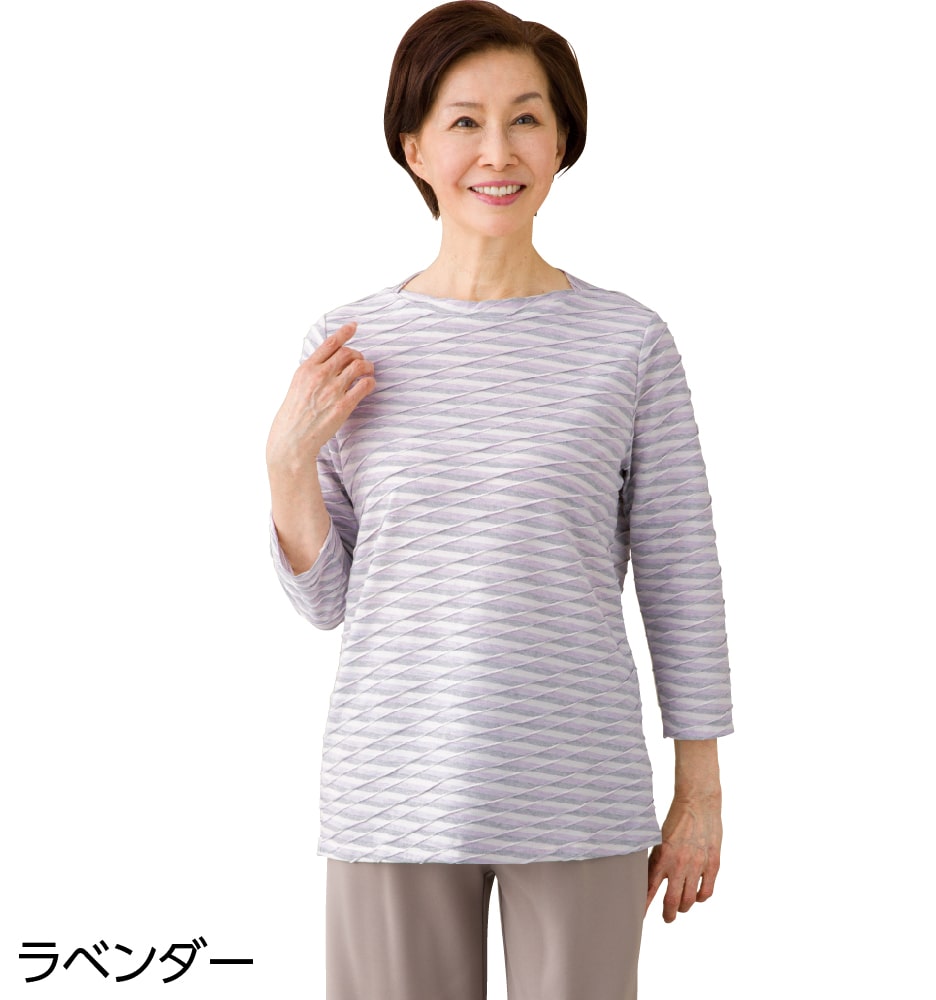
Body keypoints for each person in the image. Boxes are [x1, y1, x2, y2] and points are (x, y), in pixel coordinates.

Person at [266, 3, 734, 998]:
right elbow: (329, 601)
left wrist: (699, 787)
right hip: (392, 794)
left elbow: (680, 572)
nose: (497, 151)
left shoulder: (628, 343)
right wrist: (285, 466)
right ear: (414, 146)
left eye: (526, 118)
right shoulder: (347, 341)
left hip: (577, 789)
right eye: (464, 121)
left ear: (562, 140)